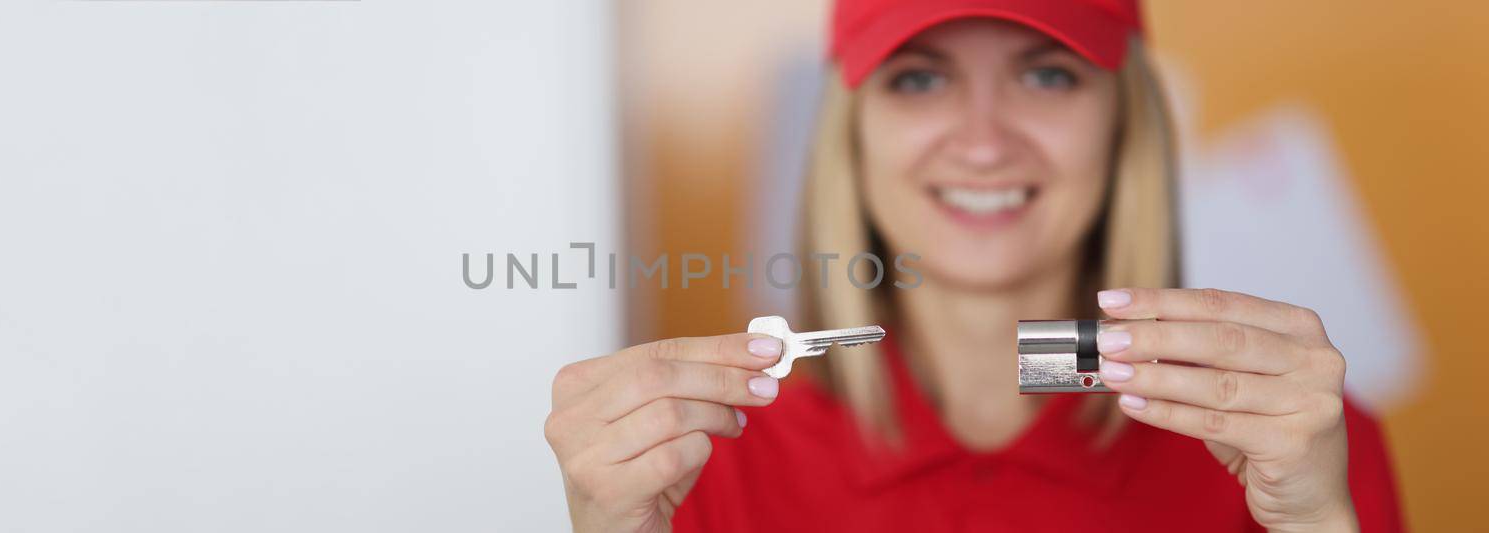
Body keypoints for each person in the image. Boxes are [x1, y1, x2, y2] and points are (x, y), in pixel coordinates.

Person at [543, 0, 1404, 530]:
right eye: (920, 80)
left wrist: (1319, 522)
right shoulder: (701, 453)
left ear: (1123, 123)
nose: (985, 141)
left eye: (1048, 76)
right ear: (853, 133)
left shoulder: (1293, 440)